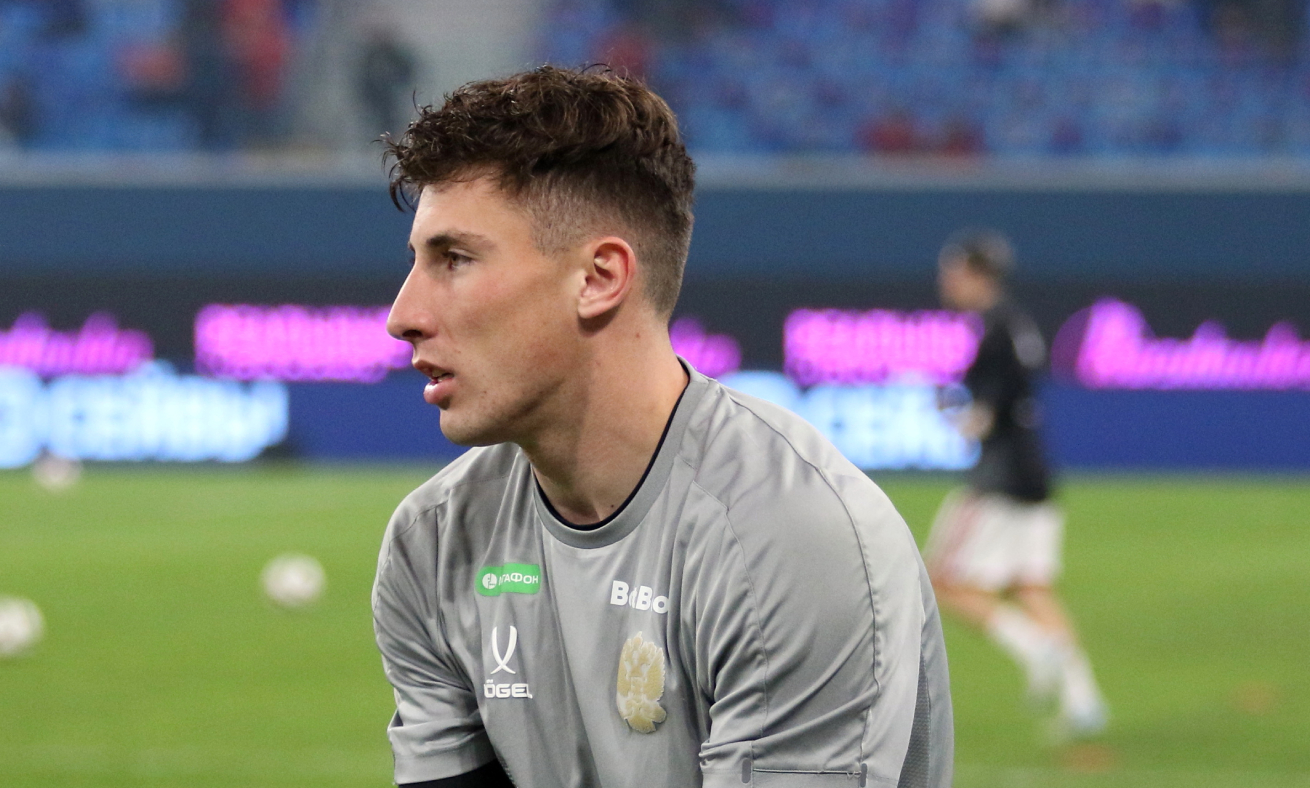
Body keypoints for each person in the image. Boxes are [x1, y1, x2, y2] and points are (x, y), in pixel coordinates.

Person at [372, 66, 953, 788]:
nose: (402, 316)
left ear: (599, 278)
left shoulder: (791, 539)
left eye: (455, 259)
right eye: (417, 262)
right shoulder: (434, 542)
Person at [925, 229, 1107, 742]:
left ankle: (1034, 647)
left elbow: (984, 418)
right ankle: (1083, 700)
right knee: (1031, 586)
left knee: (940, 580)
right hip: (1035, 471)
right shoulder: (1018, 323)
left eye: (953, 272)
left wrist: (951, 413)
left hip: (999, 477)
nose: (946, 281)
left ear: (975, 275)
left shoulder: (992, 330)